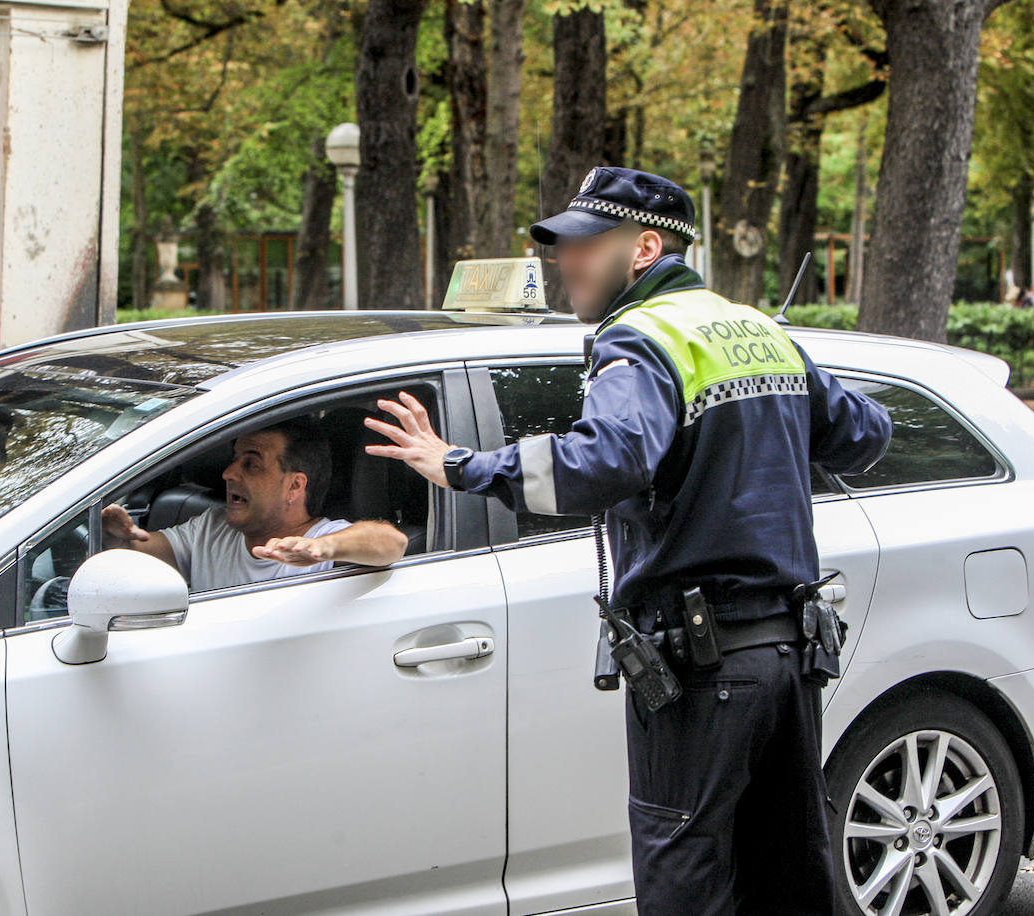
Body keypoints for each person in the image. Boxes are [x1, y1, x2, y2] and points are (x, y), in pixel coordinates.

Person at [365, 166, 892, 915]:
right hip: (789, 660)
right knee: (787, 876)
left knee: (685, 880)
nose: (566, 262)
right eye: (560, 247)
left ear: (645, 248)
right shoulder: (757, 331)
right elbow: (866, 436)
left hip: (700, 669)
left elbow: (605, 461)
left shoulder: (637, 340)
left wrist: (463, 465)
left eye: (585, 244)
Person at [101, 418, 408, 592]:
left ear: (294, 486)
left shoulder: (321, 540)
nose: (228, 473)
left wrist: (325, 548)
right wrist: (114, 534)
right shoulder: (212, 527)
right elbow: (139, 553)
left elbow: (392, 542)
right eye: (234, 460)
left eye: (251, 464)